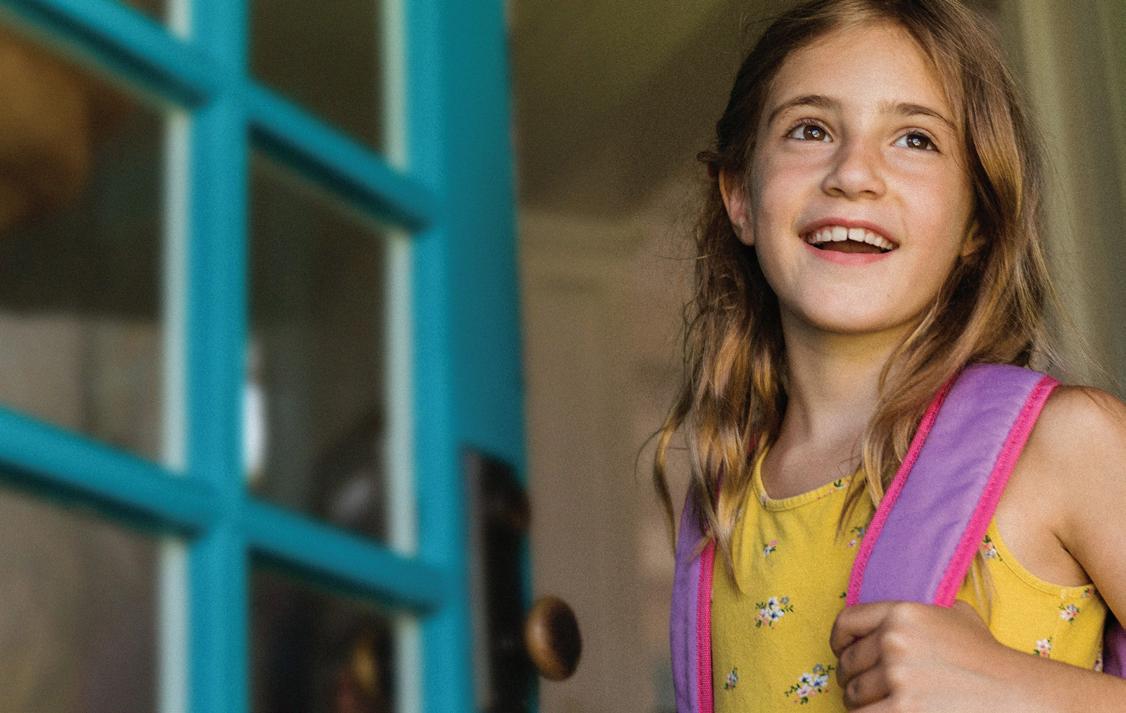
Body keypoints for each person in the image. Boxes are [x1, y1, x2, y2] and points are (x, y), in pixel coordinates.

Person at [651, 0, 1126, 710]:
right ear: (740, 196)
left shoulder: (1067, 445)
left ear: (977, 219)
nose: (854, 174)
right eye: (810, 130)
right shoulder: (722, 506)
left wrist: (1025, 691)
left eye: (915, 139)